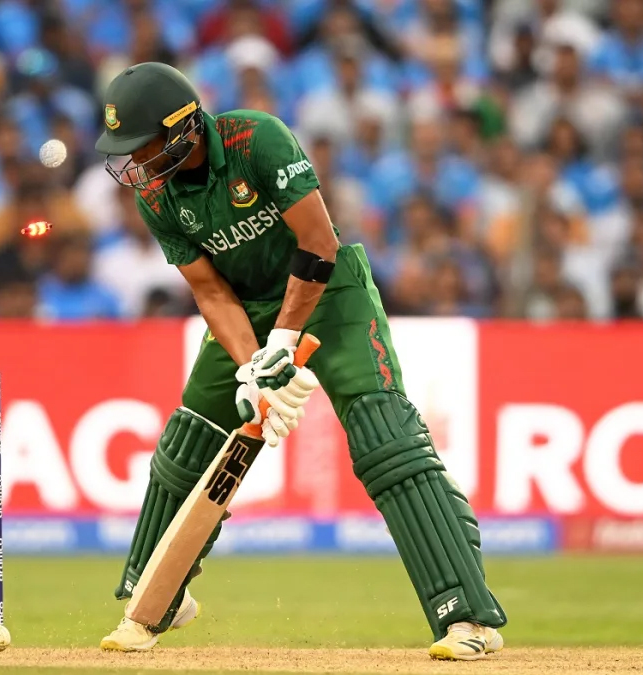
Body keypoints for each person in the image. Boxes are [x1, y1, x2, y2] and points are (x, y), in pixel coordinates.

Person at [93, 62, 506, 660]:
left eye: (143, 144)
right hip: (246, 306)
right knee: (190, 441)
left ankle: (468, 618)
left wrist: (283, 341)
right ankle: (155, 598)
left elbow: (319, 243)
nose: (133, 162)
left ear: (183, 127)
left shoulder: (256, 139)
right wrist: (251, 368)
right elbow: (210, 291)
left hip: (330, 292)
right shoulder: (156, 196)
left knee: (384, 437)